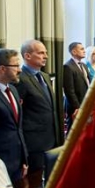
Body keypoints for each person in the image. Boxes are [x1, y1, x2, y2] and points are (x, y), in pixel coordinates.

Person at [18, 40, 63, 180]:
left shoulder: (45, 76)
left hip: (52, 138)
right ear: (27, 56)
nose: (46, 56)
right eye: (41, 53)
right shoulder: (20, 79)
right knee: (35, 181)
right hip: (34, 142)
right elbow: (19, 113)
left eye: (46, 53)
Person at [0, 49, 29, 181]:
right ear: (2, 69)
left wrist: (24, 158)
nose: (20, 70)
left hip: (17, 160)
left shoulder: (12, 89)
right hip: (0, 161)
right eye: (16, 66)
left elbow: (17, 128)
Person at [62, 42, 89, 123]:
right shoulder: (68, 66)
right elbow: (69, 90)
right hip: (76, 106)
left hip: (85, 102)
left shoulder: (84, 65)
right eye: (81, 49)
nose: (84, 51)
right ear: (74, 52)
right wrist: (77, 107)